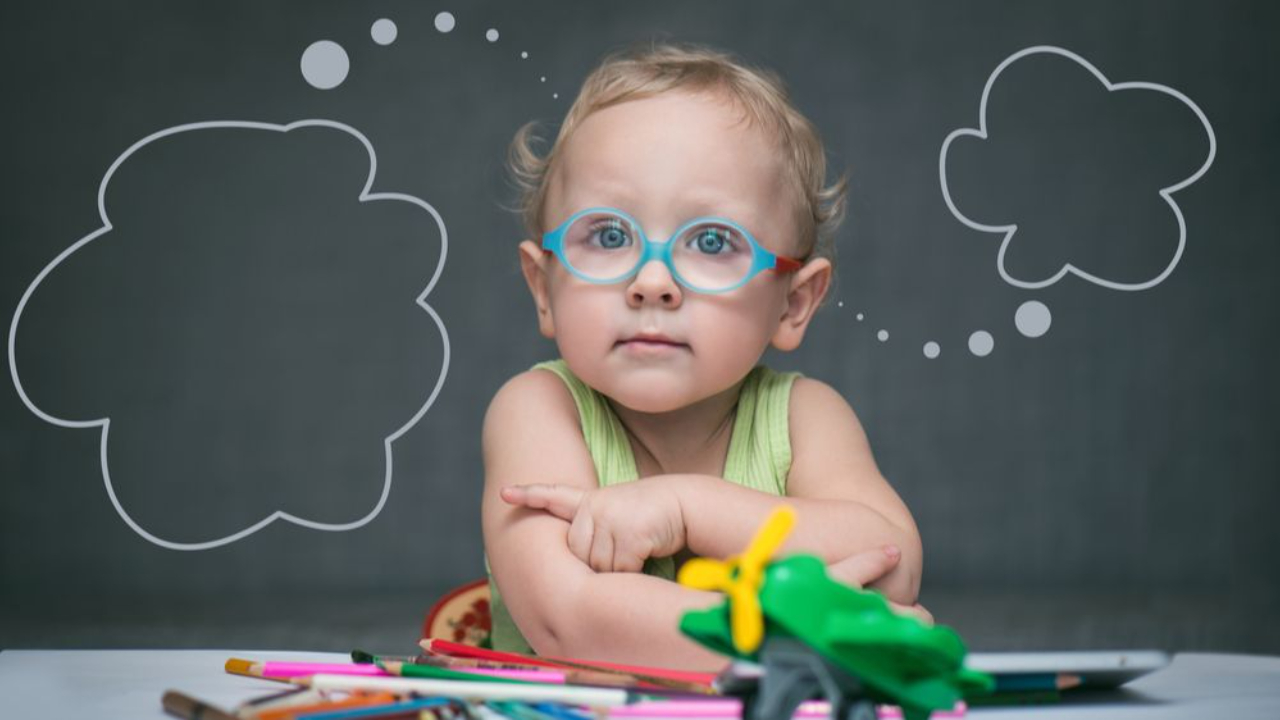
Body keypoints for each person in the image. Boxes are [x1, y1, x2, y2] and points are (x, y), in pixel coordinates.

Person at [481, 42, 926, 669]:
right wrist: (785, 637)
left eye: (712, 240)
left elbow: (892, 564)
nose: (652, 281)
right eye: (609, 235)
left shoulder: (803, 416)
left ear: (793, 304)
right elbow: (568, 619)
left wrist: (685, 509)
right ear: (542, 286)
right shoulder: (538, 409)